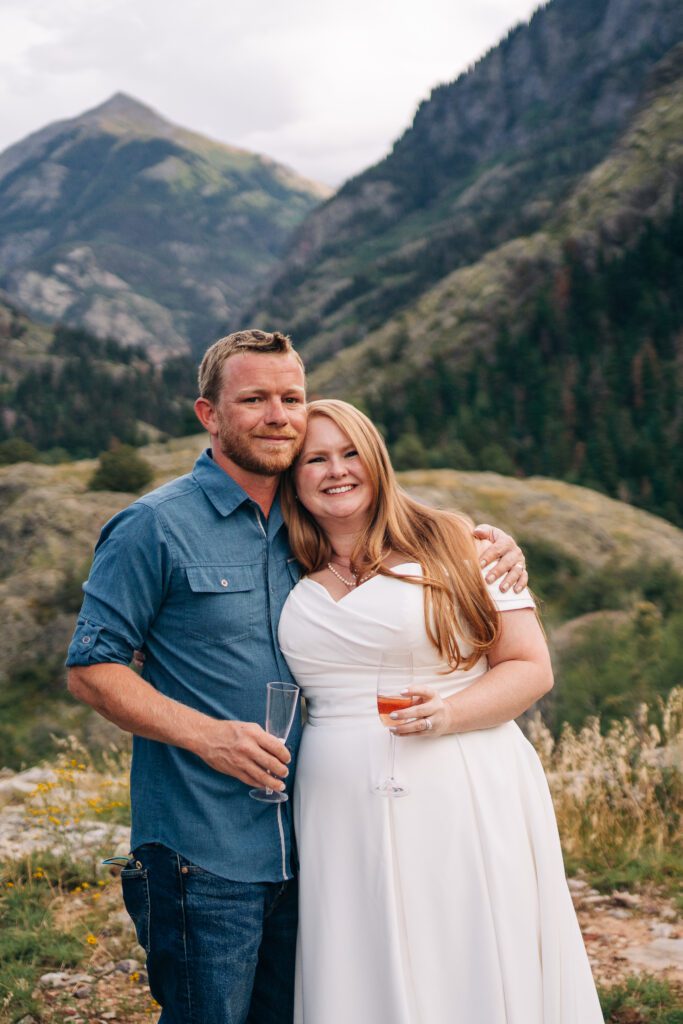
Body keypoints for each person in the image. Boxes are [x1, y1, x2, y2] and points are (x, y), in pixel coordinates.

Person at [65, 330, 528, 1024]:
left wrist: (482, 540)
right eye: (252, 399)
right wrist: (207, 737)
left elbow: (390, 522)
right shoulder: (152, 528)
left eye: (290, 397)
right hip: (205, 845)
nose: (277, 415)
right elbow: (92, 669)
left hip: (320, 841)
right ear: (208, 414)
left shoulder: (310, 516)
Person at [277, 398, 604, 1024]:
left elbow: (530, 667)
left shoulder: (462, 545)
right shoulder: (279, 559)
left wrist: (449, 713)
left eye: (350, 454)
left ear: (377, 461)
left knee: (462, 948)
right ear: (293, 476)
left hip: (460, 783)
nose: (336, 470)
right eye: (315, 459)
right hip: (336, 807)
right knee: (357, 956)